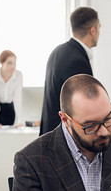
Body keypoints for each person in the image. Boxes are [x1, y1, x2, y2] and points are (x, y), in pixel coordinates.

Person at [39, 7, 100, 136]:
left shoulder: (58, 51)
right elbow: (83, 109)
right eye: (99, 27)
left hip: (49, 135)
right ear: (92, 30)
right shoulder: (77, 61)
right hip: (63, 140)